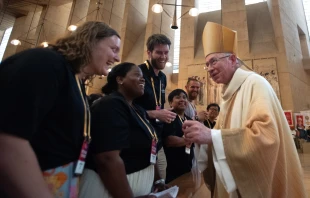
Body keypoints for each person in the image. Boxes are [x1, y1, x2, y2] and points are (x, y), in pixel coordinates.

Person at [183, 22, 306, 197]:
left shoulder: (255, 84)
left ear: (232, 59)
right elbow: (217, 138)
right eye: (206, 64)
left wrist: (211, 136)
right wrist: (200, 139)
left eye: (213, 61)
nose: (209, 69)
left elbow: (266, 136)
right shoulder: (228, 95)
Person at [0, 21, 121, 198]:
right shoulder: (45, 62)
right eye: (114, 49)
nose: (117, 58)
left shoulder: (76, 80)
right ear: (92, 40)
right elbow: (8, 138)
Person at [79, 62, 157, 198]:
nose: (143, 78)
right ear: (120, 79)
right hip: (109, 190)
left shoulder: (137, 109)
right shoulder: (110, 104)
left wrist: (158, 180)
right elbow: (107, 158)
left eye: (143, 76)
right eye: (137, 75)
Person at [134, 34, 177, 181]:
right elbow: (125, 107)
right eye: (159, 52)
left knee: (161, 180)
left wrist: (165, 114)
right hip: (139, 140)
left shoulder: (163, 78)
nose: (163, 56)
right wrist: (154, 114)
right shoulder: (137, 73)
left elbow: (158, 105)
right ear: (149, 52)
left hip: (156, 139)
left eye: (166, 52)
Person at [162, 89, 193, 183]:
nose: (182, 99)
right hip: (172, 167)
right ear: (171, 103)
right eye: (178, 97)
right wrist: (191, 139)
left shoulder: (189, 119)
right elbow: (169, 141)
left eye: (184, 97)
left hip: (188, 164)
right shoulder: (169, 117)